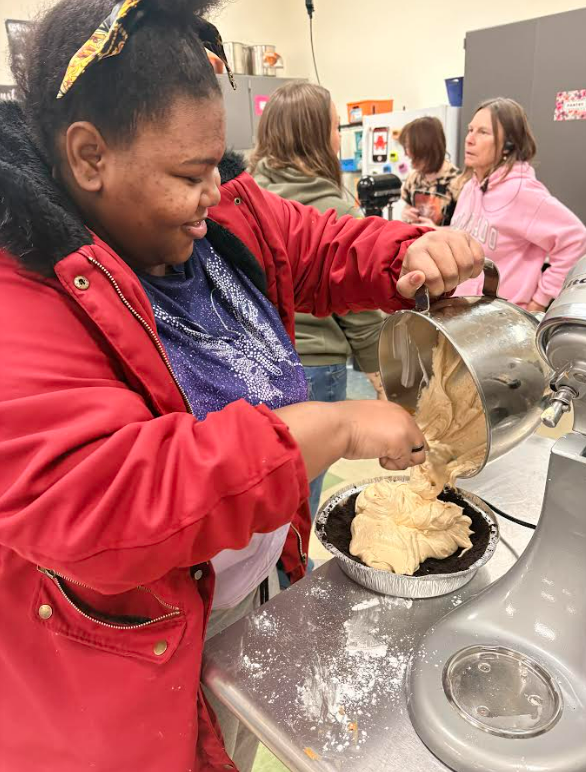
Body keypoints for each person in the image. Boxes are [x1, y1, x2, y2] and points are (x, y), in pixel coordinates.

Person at [0, 1, 483, 771]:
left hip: (248, 585)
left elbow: (318, 244)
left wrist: (411, 252)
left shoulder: (220, 211)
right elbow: (105, 496)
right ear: (89, 156)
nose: (210, 198)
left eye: (216, 168)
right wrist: (337, 430)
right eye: (187, 177)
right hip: (135, 658)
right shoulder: (19, 293)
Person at [250, 81, 386, 520]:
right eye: (333, 128)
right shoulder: (336, 211)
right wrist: (384, 383)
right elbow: (361, 311)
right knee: (303, 497)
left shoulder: (245, 200)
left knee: (265, 482)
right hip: (318, 368)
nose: (337, 138)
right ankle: (297, 577)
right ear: (314, 136)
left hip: (257, 362)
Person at [452, 97, 586, 311]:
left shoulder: (523, 192)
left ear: (508, 145)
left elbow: (575, 238)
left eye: (483, 132)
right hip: (462, 314)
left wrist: (540, 300)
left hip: (500, 320)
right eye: (470, 130)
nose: (469, 139)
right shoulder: (471, 187)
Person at [399, 116, 462, 226]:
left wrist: (435, 230)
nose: (406, 153)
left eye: (408, 147)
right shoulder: (413, 178)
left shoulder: (458, 182)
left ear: (424, 148)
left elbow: (464, 231)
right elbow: (407, 207)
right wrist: (406, 214)